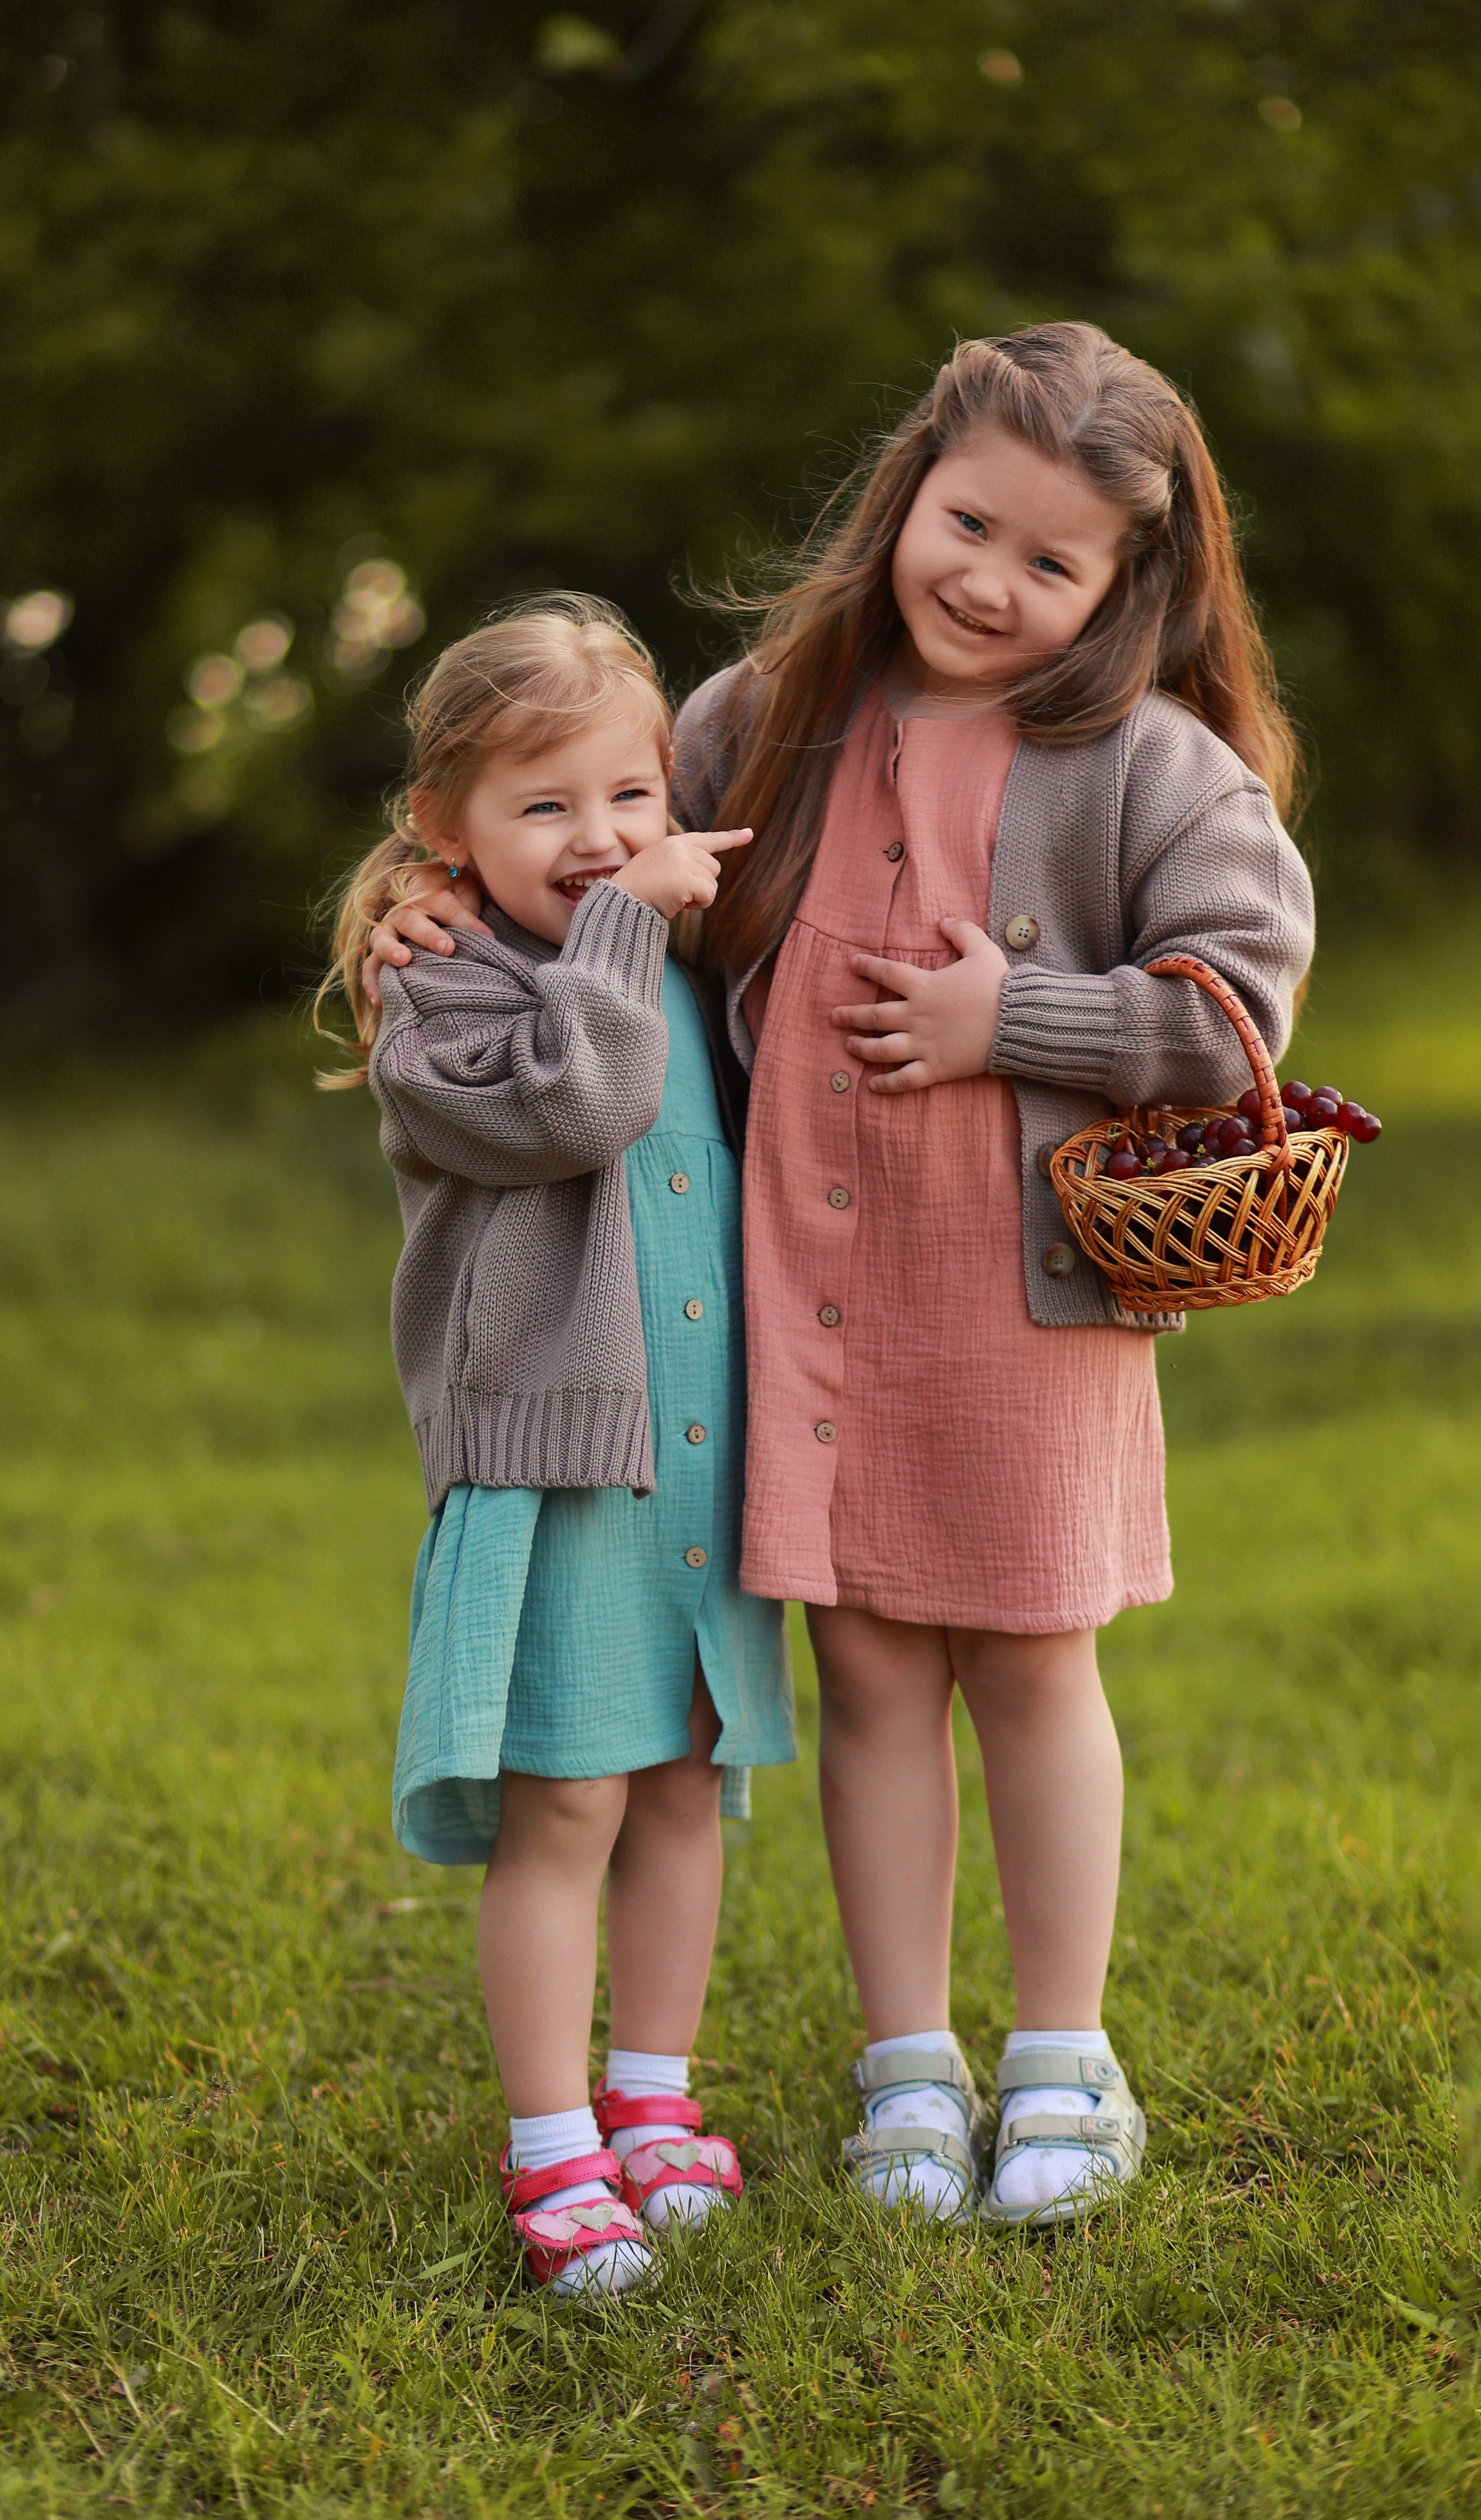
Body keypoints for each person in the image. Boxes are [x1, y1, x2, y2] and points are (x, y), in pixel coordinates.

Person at [366, 324, 1313, 2231]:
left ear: (1130, 585)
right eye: (967, 523)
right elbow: (596, 809)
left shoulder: (1150, 761)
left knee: (1034, 1663)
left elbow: (1238, 1005)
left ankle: (1062, 2050)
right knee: (872, 1672)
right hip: (805, 1300)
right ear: (911, 494)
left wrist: (1013, 1013)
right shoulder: (780, 710)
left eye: (1052, 562)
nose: (989, 579)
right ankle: (909, 2062)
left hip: (1026, 1305)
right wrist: (435, 897)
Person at [322, 597, 794, 2294]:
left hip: (695, 1451)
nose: (600, 839)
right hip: (554, 1470)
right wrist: (619, 932)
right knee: (569, 1800)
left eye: (631, 796)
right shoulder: (441, 997)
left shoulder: (675, 961)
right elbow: (578, 1104)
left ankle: (653, 2102)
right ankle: (550, 2146)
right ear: (445, 830)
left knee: (684, 1786)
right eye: (543, 807)